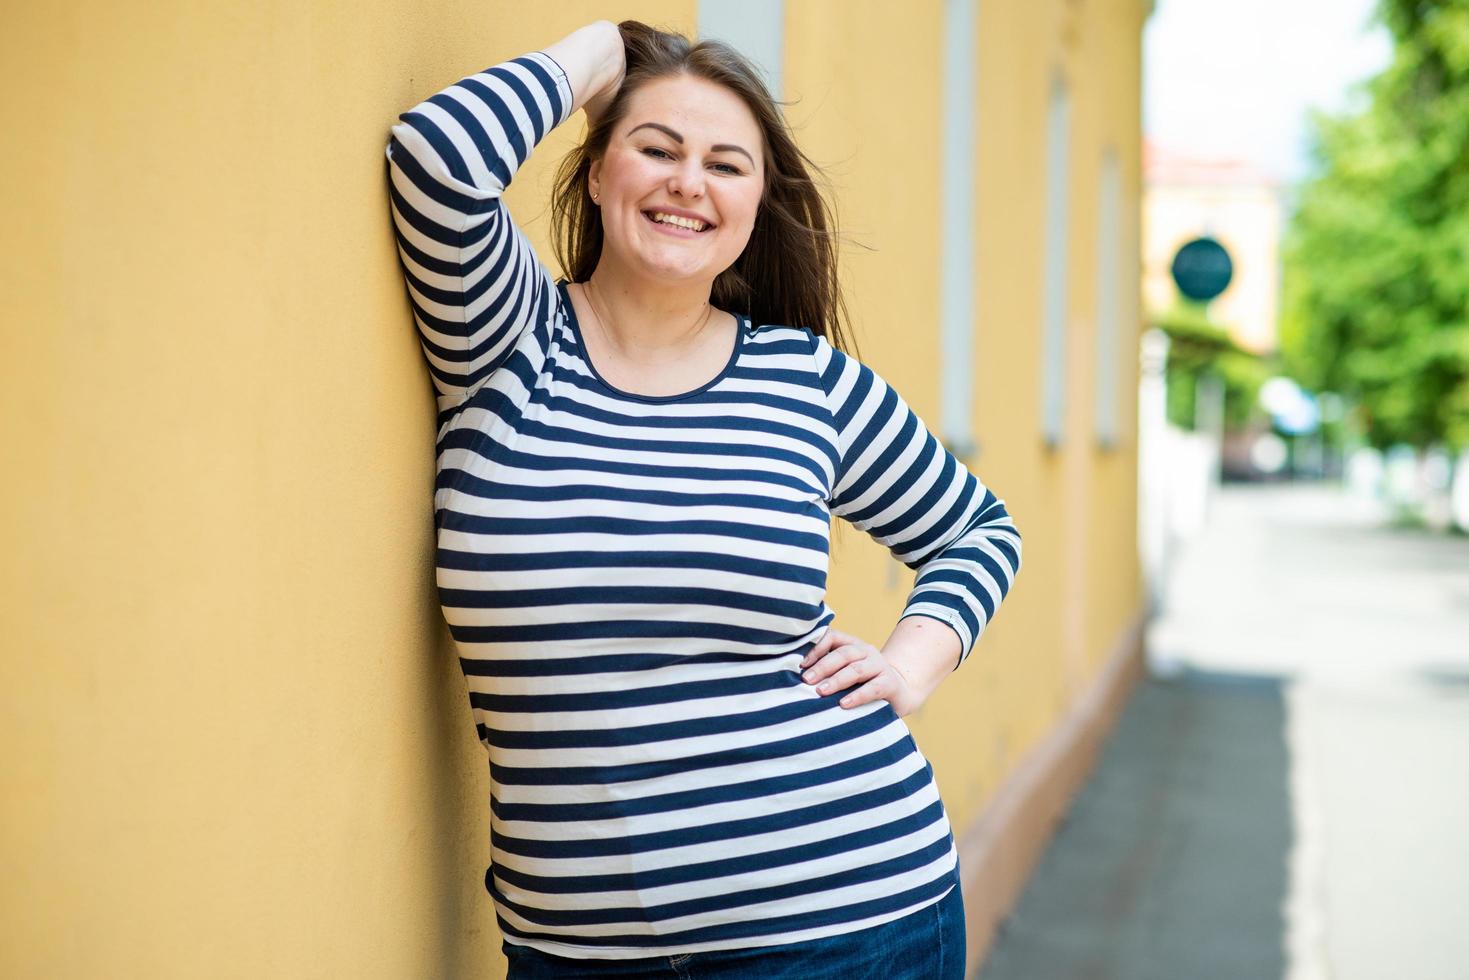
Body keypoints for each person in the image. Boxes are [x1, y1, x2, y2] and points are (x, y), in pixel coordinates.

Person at [384, 18, 1022, 979]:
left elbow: (978, 529)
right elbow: (434, 159)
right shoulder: (506, 340)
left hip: (844, 919)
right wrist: (605, 55)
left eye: (727, 164)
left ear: (757, 206)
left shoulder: (802, 381)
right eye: (656, 148)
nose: (689, 181)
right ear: (596, 171)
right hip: (578, 950)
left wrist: (910, 665)